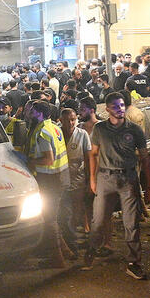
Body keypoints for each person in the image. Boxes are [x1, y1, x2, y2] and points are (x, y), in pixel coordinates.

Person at [83, 91, 150, 279]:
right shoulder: (100, 129)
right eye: (115, 106)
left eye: (121, 105)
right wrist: (92, 179)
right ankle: (92, 249)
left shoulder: (135, 130)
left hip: (128, 179)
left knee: (131, 223)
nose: (120, 109)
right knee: (98, 221)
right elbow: (93, 154)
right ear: (107, 109)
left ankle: (134, 262)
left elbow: (145, 157)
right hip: (105, 178)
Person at [24, 100, 70, 266]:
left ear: (39, 113)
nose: (29, 113)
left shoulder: (42, 131)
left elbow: (48, 159)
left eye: (32, 111)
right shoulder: (55, 127)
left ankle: (57, 258)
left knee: (49, 220)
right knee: (53, 219)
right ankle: (65, 250)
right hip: (61, 177)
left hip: (50, 180)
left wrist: (31, 162)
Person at [59, 107, 93, 256]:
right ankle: (70, 242)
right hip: (61, 179)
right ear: (61, 121)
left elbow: (88, 158)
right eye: (67, 120)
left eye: (73, 120)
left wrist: (90, 179)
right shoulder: (57, 133)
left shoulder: (82, 134)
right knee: (65, 212)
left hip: (78, 178)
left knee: (77, 209)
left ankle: (76, 240)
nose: (71, 123)